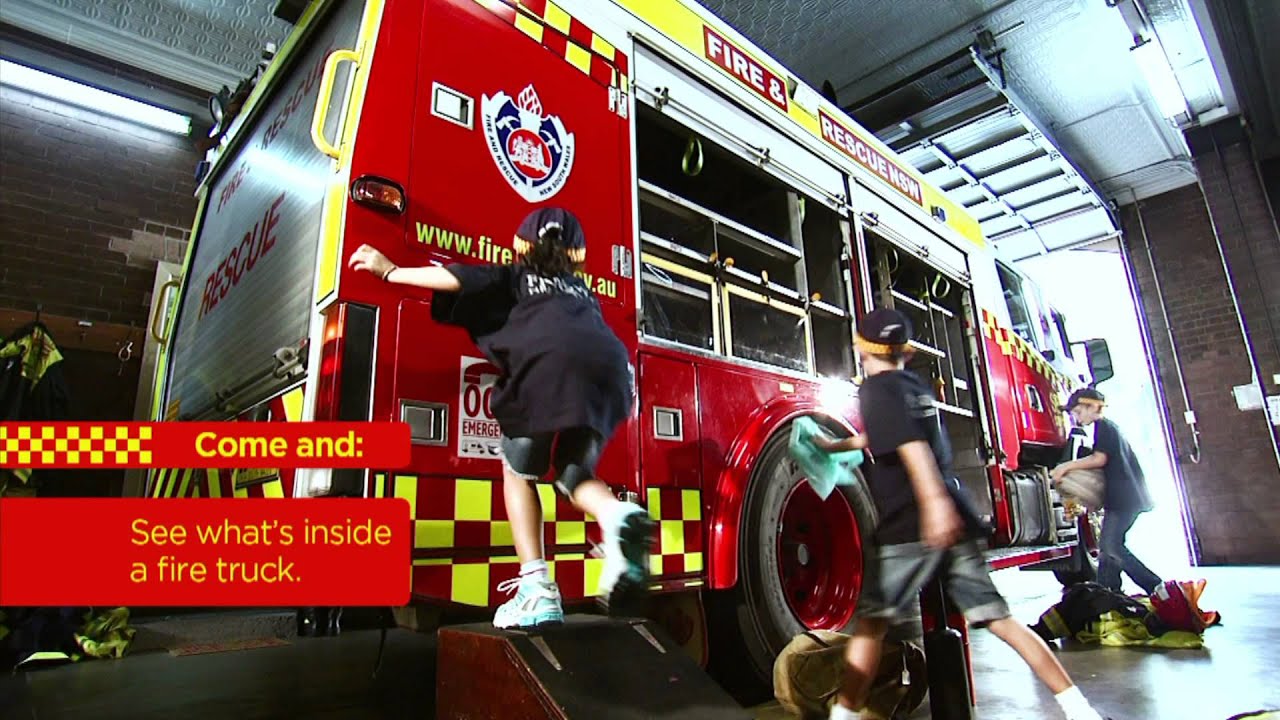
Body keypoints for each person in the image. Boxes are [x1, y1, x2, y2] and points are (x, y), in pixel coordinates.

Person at [347, 207, 656, 629]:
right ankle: (616, 516)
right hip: (613, 373)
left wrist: (390, 272)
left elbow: (455, 277)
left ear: (521, 245)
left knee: (517, 469)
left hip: (550, 368)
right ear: (577, 256)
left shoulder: (513, 276)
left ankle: (537, 590)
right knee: (572, 473)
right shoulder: (582, 293)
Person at [813, 308, 1109, 720]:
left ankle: (842, 716)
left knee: (872, 624)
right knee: (1000, 620)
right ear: (904, 352)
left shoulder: (875, 391)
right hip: (958, 514)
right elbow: (884, 434)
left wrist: (932, 508)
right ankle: (1081, 711)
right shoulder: (911, 387)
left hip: (910, 525)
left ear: (861, 347)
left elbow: (912, 448)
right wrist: (834, 447)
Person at [1051, 387, 1162, 595]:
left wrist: (1065, 467)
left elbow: (1099, 459)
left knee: (1111, 547)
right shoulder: (1110, 428)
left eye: (1077, 412)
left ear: (1092, 406)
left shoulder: (1104, 427)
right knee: (1108, 548)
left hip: (1125, 500)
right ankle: (1108, 593)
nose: (1076, 417)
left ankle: (1156, 587)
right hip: (1124, 500)